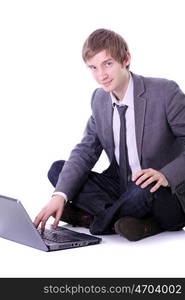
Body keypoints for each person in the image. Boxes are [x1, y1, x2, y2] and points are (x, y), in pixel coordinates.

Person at [34, 28, 185, 241]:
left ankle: (97, 222)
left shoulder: (164, 92)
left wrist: (166, 175)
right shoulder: (99, 99)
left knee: (146, 188)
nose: (101, 75)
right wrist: (59, 196)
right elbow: (85, 151)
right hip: (122, 188)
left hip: (161, 192)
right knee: (58, 171)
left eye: (108, 64)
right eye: (93, 68)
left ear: (126, 59)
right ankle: (134, 220)